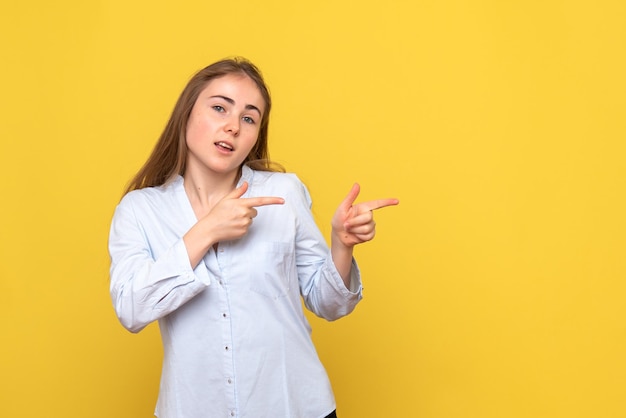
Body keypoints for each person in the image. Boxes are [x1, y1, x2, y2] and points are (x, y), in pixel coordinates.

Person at [108, 57, 399, 418]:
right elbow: (131, 309)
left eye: (249, 118)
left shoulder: (284, 193)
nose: (233, 127)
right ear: (186, 114)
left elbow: (329, 304)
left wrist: (342, 244)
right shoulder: (140, 210)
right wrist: (207, 230)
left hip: (295, 405)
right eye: (219, 108)